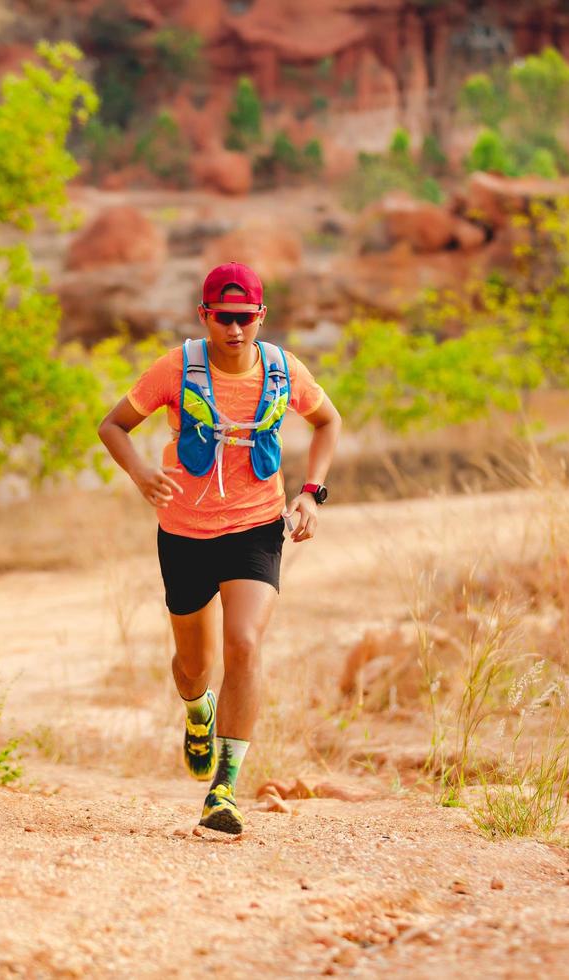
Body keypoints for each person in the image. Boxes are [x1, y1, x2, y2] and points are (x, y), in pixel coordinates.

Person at [97, 261, 342, 835]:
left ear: (261, 316)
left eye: (245, 318)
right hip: (183, 530)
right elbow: (113, 425)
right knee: (192, 666)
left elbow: (328, 422)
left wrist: (310, 494)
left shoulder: (283, 370)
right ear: (205, 315)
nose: (235, 330)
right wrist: (139, 474)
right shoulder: (177, 368)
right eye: (223, 318)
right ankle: (197, 711)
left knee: (245, 642)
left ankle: (224, 790)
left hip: (256, 526)